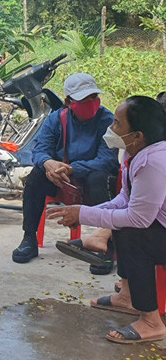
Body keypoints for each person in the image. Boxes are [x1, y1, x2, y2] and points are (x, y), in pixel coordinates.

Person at [48, 96, 166, 344]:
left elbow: (138, 218)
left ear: (137, 135)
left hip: (154, 228)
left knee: (134, 235)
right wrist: (81, 210)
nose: (111, 129)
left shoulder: (155, 161)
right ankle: (127, 297)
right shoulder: (134, 153)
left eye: (117, 124)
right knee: (123, 228)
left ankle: (151, 322)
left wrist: (82, 213)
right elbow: (125, 198)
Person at [12, 73, 118, 264]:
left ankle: (107, 243)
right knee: (36, 176)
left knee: (100, 178)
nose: (90, 102)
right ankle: (29, 237)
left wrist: (72, 169)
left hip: (91, 177)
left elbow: (106, 160)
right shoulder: (55, 120)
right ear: (69, 102)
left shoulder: (107, 121)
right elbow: (39, 151)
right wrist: (48, 163)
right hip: (60, 179)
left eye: (93, 97)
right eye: (83, 99)